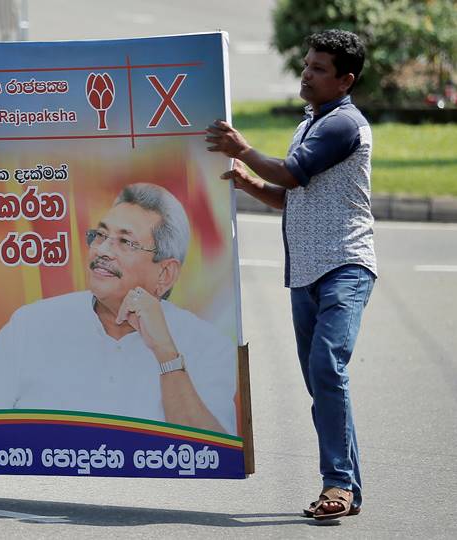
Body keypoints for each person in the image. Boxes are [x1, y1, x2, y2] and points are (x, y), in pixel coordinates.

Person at [206, 29, 377, 519]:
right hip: (304, 270)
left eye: (319, 69)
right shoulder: (310, 124)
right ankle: (345, 486)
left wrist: (243, 149)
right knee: (324, 381)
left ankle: (338, 485)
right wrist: (248, 181)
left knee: (327, 368)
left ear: (345, 80)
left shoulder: (343, 124)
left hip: (345, 263)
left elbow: (291, 174)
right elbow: (288, 196)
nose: (306, 73)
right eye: (306, 64)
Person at [0, 183, 238, 435]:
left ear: (165, 274)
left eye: (125, 241)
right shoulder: (36, 323)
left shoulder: (207, 346)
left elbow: (212, 449)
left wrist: (166, 354)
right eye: (100, 235)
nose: (102, 251)